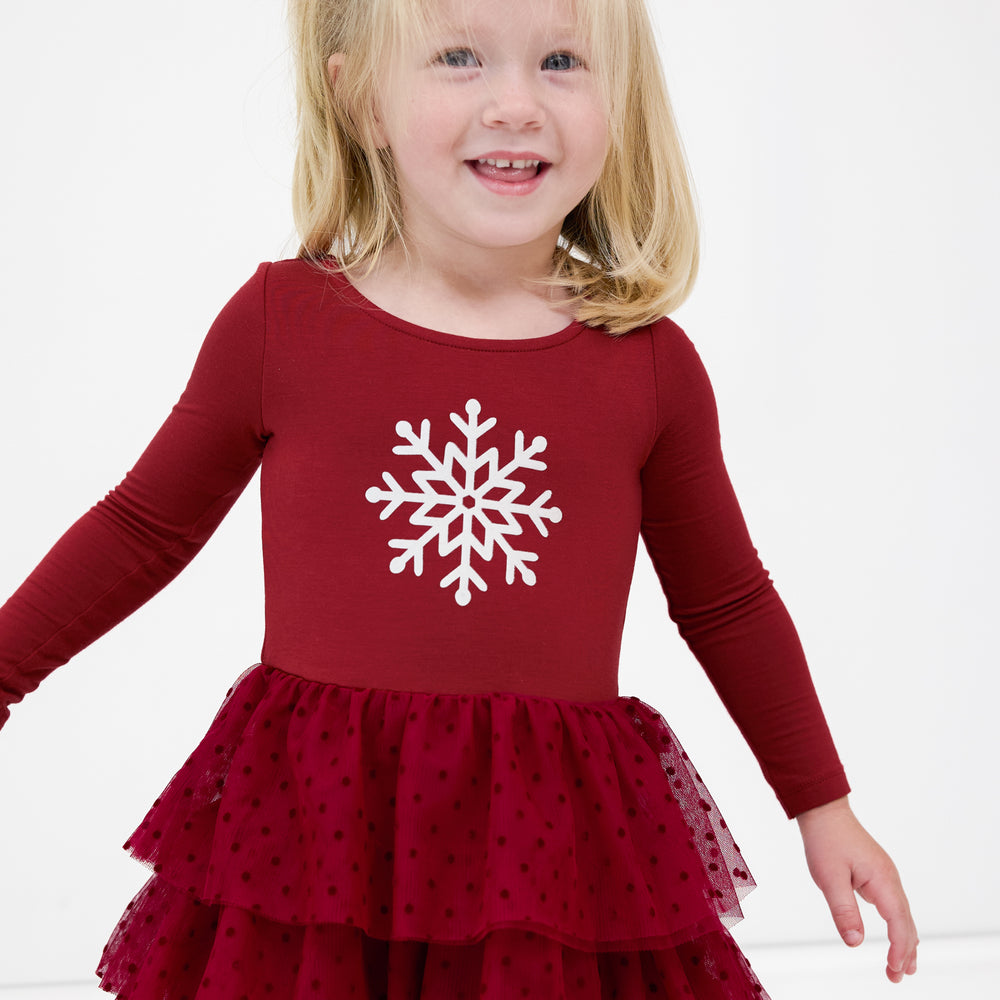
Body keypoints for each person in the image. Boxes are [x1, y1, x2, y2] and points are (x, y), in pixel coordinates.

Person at [0, 0, 918, 996]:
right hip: (319, 834)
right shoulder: (282, 325)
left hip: (546, 853)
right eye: (458, 59)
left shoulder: (647, 365)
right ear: (362, 104)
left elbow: (725, 599)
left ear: (624, 99)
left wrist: (821, 802)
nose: (516, 104)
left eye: (562, 59)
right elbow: (145, 525)